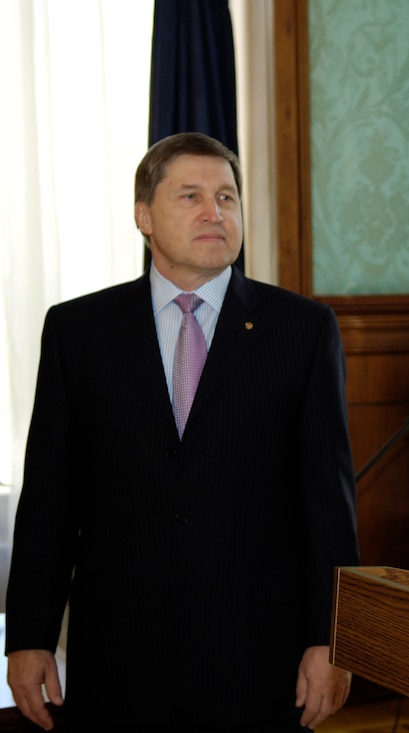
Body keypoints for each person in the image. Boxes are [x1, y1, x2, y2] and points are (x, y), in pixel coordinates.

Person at [5, 132, 361, 731]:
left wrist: (333, 641)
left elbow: (328, 503)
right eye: (190, 196)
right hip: (119, 649)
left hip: (257, 650)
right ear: (143, 215)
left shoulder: (301, 330)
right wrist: (31, 635)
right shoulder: (78, 331)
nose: (213, 212)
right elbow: (49, 500)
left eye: (226, 197)